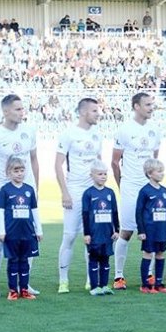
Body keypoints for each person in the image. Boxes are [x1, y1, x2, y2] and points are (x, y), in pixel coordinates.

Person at [0, 94, 40, 298]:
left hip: (27, 191)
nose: (21, 112)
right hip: (5, 193)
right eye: (17, 109)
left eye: (22, 108)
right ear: (5, 111)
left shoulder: (29, 132)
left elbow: (34, 160)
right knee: (0, 237)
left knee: (29, 236)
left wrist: (37, 188)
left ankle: (25, 283)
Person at [111, 93, 161, 290]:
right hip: (130, 186)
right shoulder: (125, 130)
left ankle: (148, 274)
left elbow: (154, 160)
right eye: (147, 104)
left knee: (150, 230)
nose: (151, 108)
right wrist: (122, 184)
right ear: (136, 106)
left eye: (152, 104)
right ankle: (118, 276)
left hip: (149, 189)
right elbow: (115, 161)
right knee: (127, 231)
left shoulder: (155, 130)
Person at [55, 98, 102, 293]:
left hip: (92, 193)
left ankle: (90, 279)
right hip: (74, 190)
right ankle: (63, 281)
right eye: (94, 110)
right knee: (70, 236)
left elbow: (99, 164)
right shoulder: (69, 134)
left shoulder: (97, 135)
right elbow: (57, 164)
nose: (98, 114)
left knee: (91, 237)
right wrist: (65, 192)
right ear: (83, 112)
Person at [0, 156, 43, 300]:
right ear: (8, 172)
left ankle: (24, 289)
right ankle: (12, 290)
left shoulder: (29, 189)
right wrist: (1, 231)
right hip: (11, 233)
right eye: (16, 170)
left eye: (22, 170)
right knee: (13, 261)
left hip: (28, 233)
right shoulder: (5, 190)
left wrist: (39, 230)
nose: (19, 173)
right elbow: (0, 211)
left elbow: (34, 210)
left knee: (25, 262)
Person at [82, 161, 120, 296]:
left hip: (107, 233)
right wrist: (86, 233)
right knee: (93, 259)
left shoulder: (110, 192)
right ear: (92, 175)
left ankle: (104, 285)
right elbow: (85, 214)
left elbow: (115, 212)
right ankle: (94, 287)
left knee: (105, 259)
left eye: (105, 174)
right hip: (94, 233)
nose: (103, 176)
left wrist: (117, 230)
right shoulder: (88, 193)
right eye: (100, 174)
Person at [135, 159, 166, 294]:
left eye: (163, 171)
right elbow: (138, 211)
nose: (162, 174)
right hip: (149, 229)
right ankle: (145, 285)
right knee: (148, 254)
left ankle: (159, 283)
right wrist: (141, 230)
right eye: (159, 171)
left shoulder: (164, 191)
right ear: (150, 174)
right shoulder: (145, 191)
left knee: (161, 254)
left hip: (161, 229)